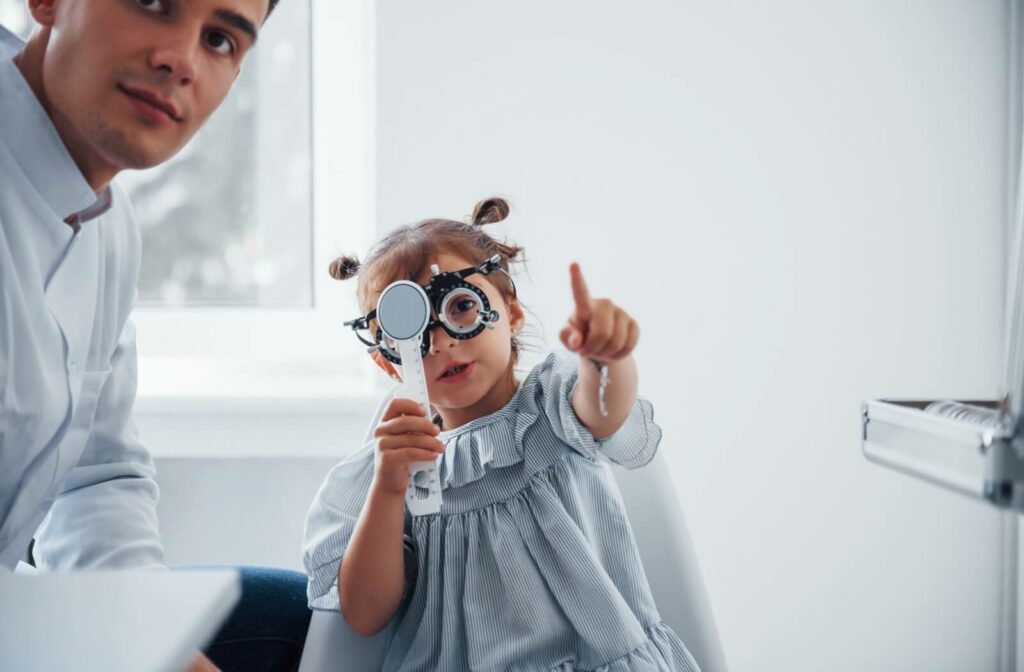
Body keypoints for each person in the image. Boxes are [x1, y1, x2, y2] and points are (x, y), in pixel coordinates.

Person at [0, 2, 309, 670]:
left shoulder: (108, 231)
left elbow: (95, 474)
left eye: (221, 39)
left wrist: (154, 646)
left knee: (294, 618)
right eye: (152, 2)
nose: (182, 58)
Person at [303, 197, 701, 671]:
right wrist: (389, 488)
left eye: (462, 306)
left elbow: (603, 410)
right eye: (411, 332)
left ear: (510, 313)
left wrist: (606, 357)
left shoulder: (551, 405)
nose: (444, 341)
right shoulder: (393, 461)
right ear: (388, 361)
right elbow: (365, 615)